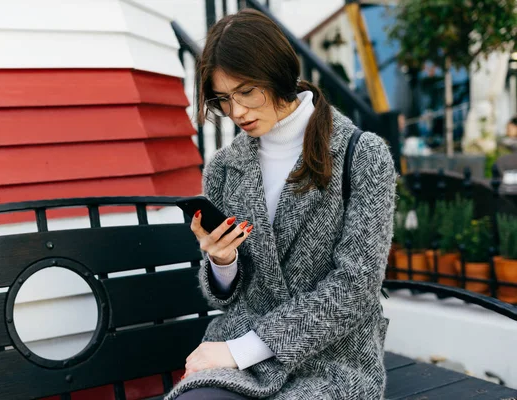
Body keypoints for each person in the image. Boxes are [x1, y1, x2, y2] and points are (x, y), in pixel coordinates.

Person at [166, 8, 396, 400]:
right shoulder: (224, 167)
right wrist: (223, 262)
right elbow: (232, 295)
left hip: (333, 360)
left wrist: (241, 351)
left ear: (278, 75)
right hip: (242, 355)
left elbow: (354, 287)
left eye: (246, 91)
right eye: (223, 98)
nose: (236, 112)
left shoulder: (362, 155)